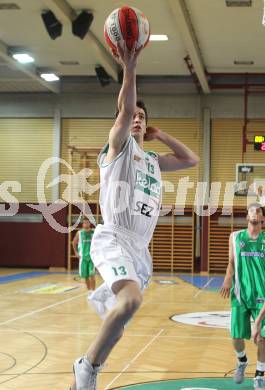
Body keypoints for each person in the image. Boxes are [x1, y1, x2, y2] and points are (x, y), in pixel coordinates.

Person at [71, 41, 199, 390]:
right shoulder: (118, 145)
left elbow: (191, 160)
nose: (137, 119)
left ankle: (88, 365)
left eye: (143, 118)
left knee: (123, 314)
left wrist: (161, 134)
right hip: (113, 236)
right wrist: (130, 66)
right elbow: (125, 111)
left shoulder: (154, 161)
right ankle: (85, 371)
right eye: (133, 116)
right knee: (130, 301)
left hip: (140, 249)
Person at [220, 203, 265, 390]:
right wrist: (227, 279)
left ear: (262, 219)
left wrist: (257, 323)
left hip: (262, 296)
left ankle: (260, 374)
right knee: (236, 336)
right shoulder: (235, 237)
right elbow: (231, 262)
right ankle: (242, 361)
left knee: (262, 337)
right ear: (247, 217)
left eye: (259, 211)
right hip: (239, 294)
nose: (255, 213)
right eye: (251, 211)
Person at [72, 217, 96, 295]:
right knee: (85, 276)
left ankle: (94, 291)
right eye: (85, 222)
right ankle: (89, 291)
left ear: (90, 223)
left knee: (92, 274)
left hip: (92, 257)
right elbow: (74, 242)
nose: (86, 224)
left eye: (88, 222)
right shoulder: (79, 233)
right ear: (83, 224)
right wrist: (75, 252)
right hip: (83, 258)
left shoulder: (94, 232)